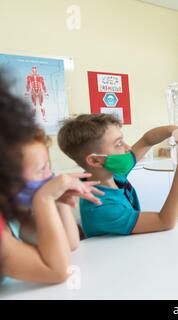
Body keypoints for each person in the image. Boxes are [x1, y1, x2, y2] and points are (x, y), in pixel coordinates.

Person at [0, 72, 102, 284]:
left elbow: (70, 245)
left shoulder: (15, 214)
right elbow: (57, 270)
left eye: (49, 167)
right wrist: (44, 199)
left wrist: (59, 201)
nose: (50, 177)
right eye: (40, 170)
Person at [57, 114, 178, 237]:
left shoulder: (115, 174)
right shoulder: (101, 207)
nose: (128, 148)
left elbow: (147, 140)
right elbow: (164, 221)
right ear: (94, 160)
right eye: (118, 144)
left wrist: (175, 130)